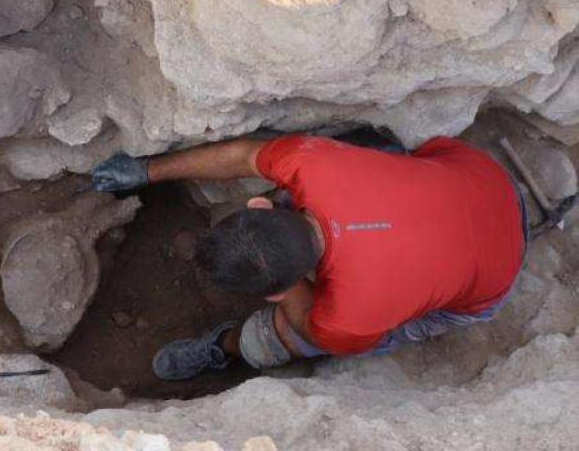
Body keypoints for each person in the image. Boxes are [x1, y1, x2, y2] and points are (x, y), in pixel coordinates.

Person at [91, 134, 526, 379]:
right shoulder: (313, 165)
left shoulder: (346, 320)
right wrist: (148, 170)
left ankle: (225, 345)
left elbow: (305, 325)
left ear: (279, 292)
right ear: (260, 209)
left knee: (285, 338)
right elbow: (247, 155)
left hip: (493, 281)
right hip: (480, 176)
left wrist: (290, 302)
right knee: (367, 152)